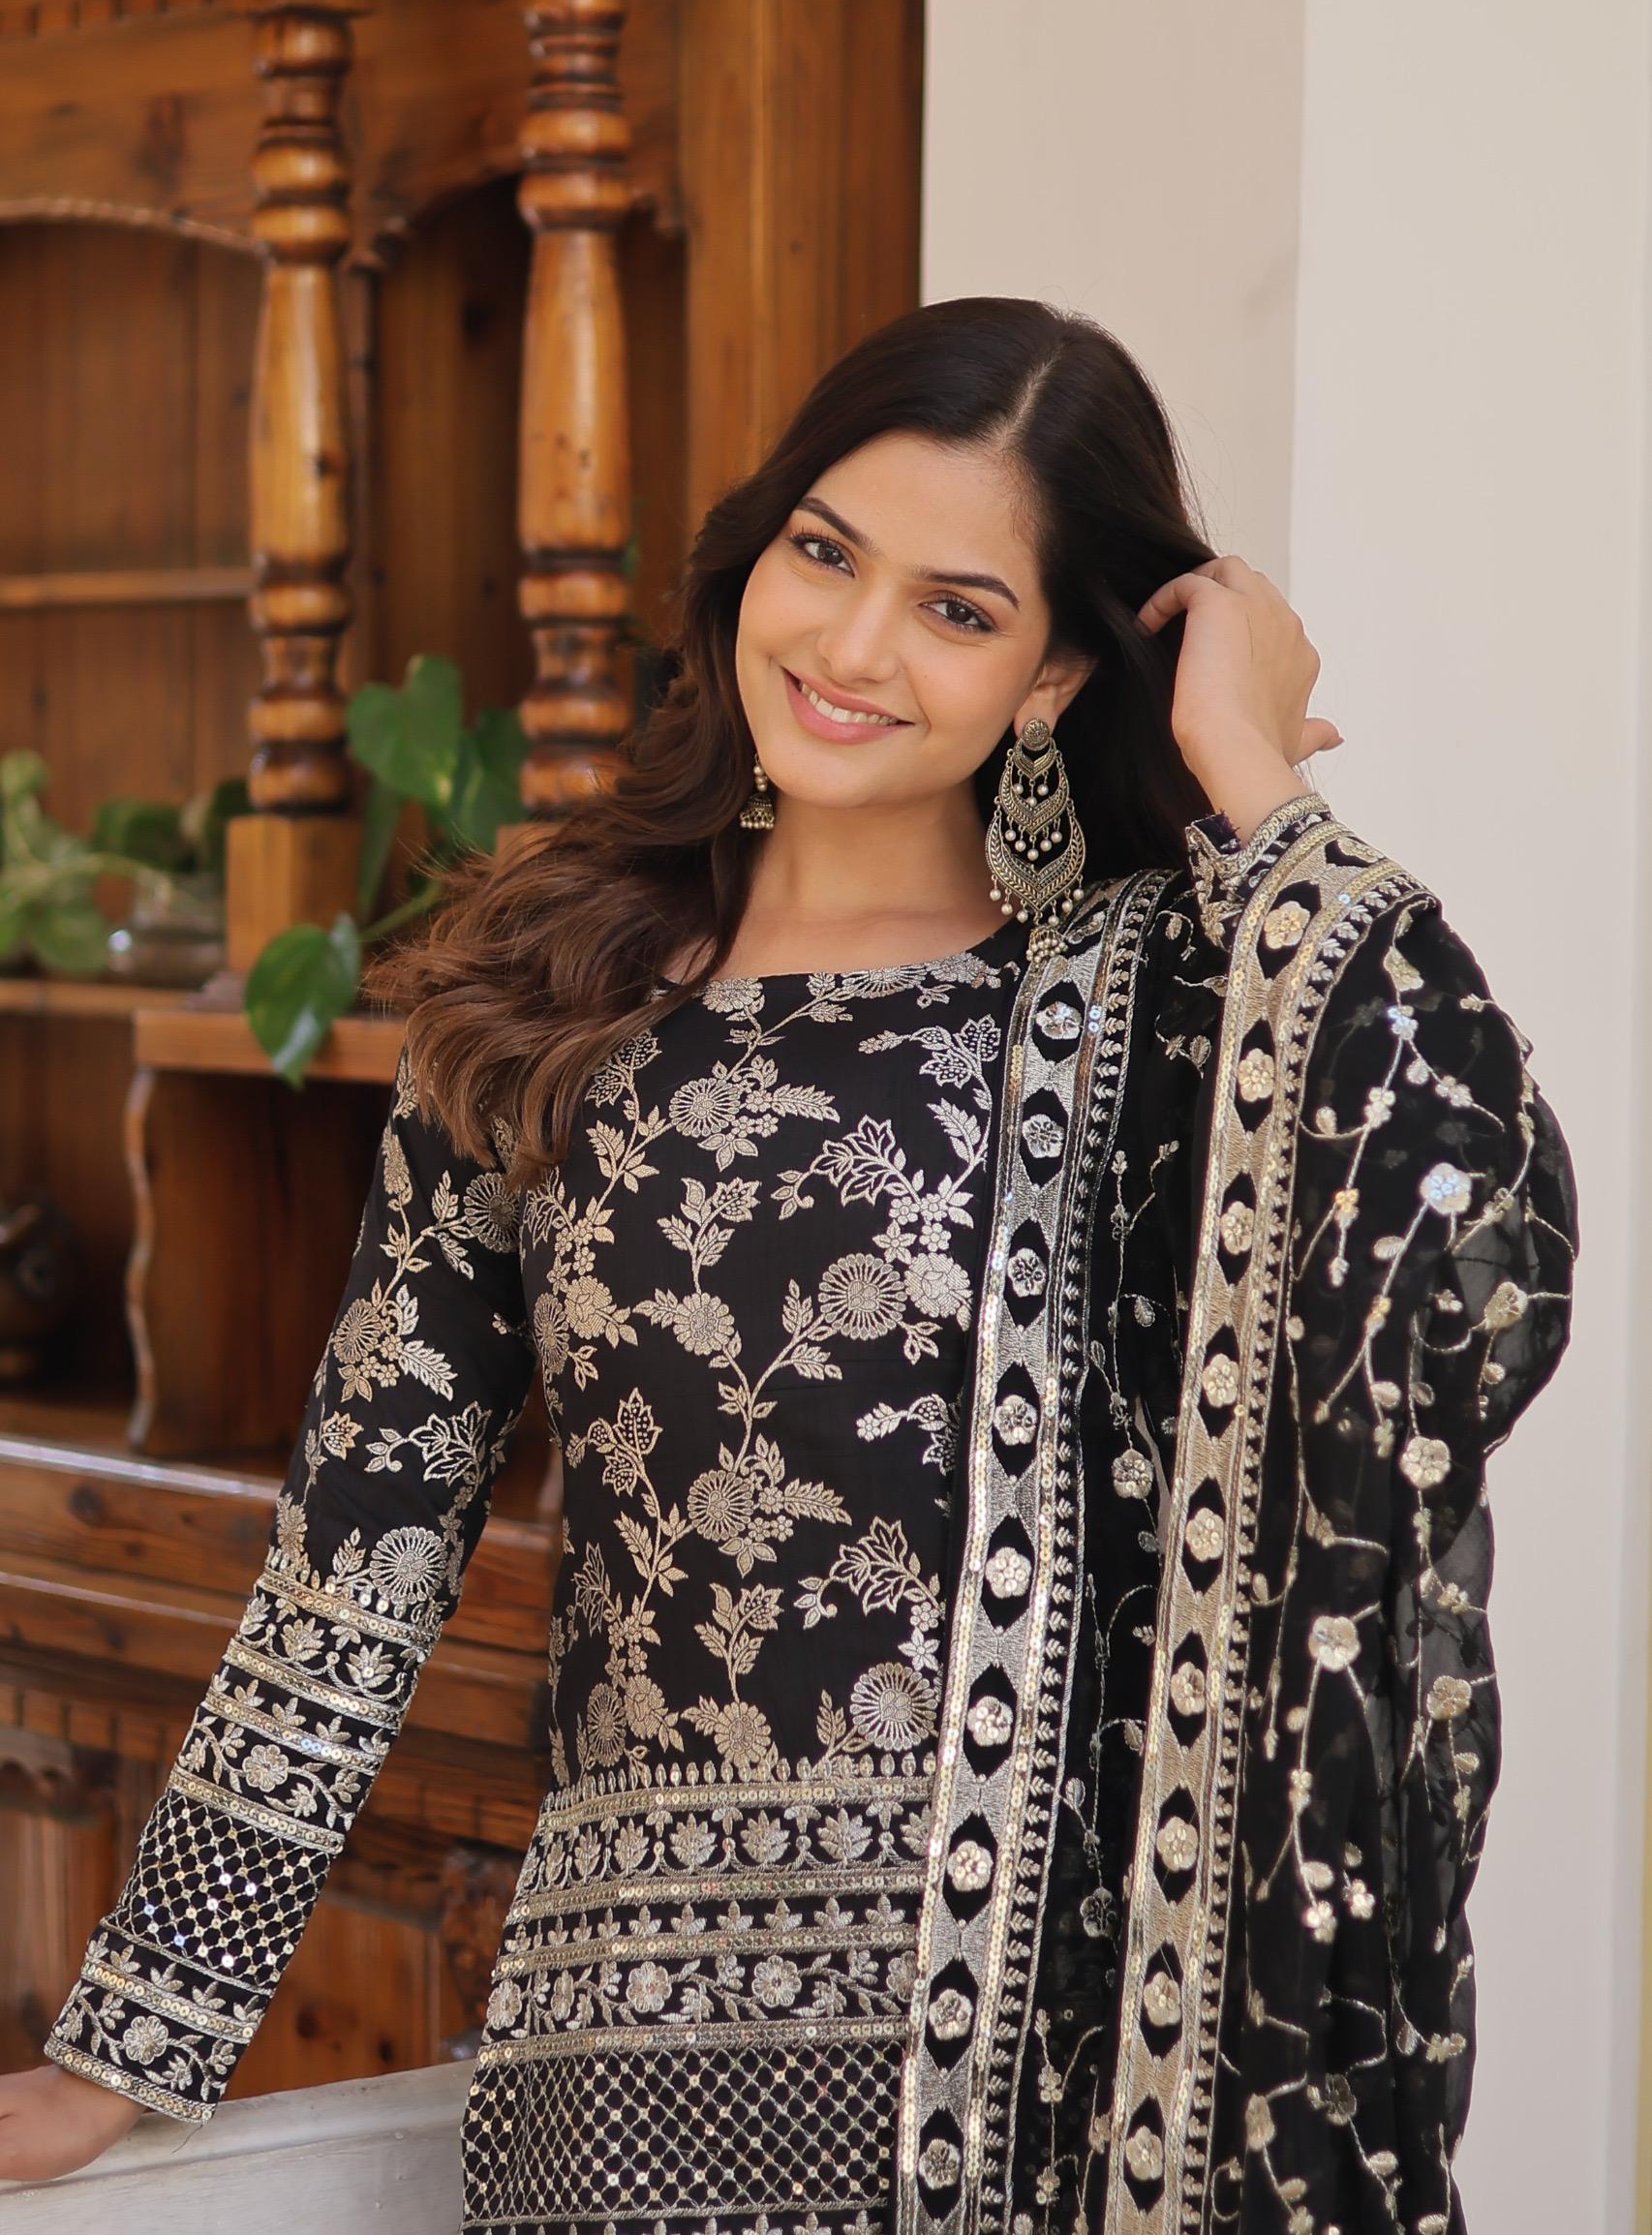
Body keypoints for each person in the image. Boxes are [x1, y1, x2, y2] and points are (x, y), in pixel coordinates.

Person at [0, 297, 1577, 2234]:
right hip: (624, 2081)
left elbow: (1467, 1227)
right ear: (754, 551)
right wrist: (125, 2046)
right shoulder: (533, 1005)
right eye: (825, 553)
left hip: (1069, 2085)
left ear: (1052, 669)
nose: (847, 646)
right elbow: (353, 1564)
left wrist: (1247, 767)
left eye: (954, 605)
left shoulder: (1154, 1006)